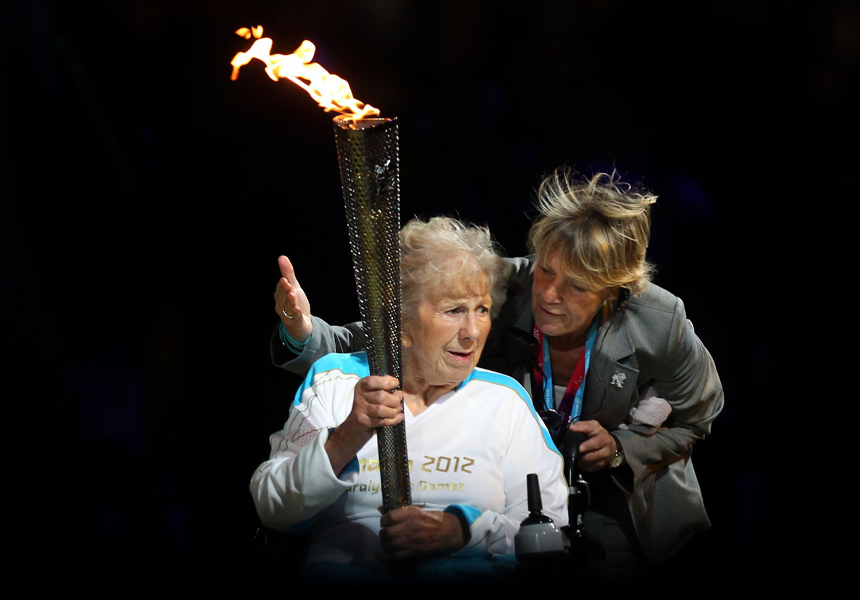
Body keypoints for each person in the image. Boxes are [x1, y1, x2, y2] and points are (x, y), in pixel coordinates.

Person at [271, 169, 723, 582]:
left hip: (616, 495)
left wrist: (621, 450)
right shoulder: (504, 284)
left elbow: (697, 417)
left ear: (613, 289)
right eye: (547, 270)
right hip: (514, 478)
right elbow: (395, 330)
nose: (549, 295)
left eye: (576, 286)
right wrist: (305, 332)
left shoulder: (659, 322)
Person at [252, 217, 568, 586]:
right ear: (400, 324)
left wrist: (464, 531)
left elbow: (554, 534)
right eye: (453, 310)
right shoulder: (335, 382)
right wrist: (346, 437)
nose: (472, 332)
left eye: (481, 309)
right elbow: (272, 508)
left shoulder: (505, 400)